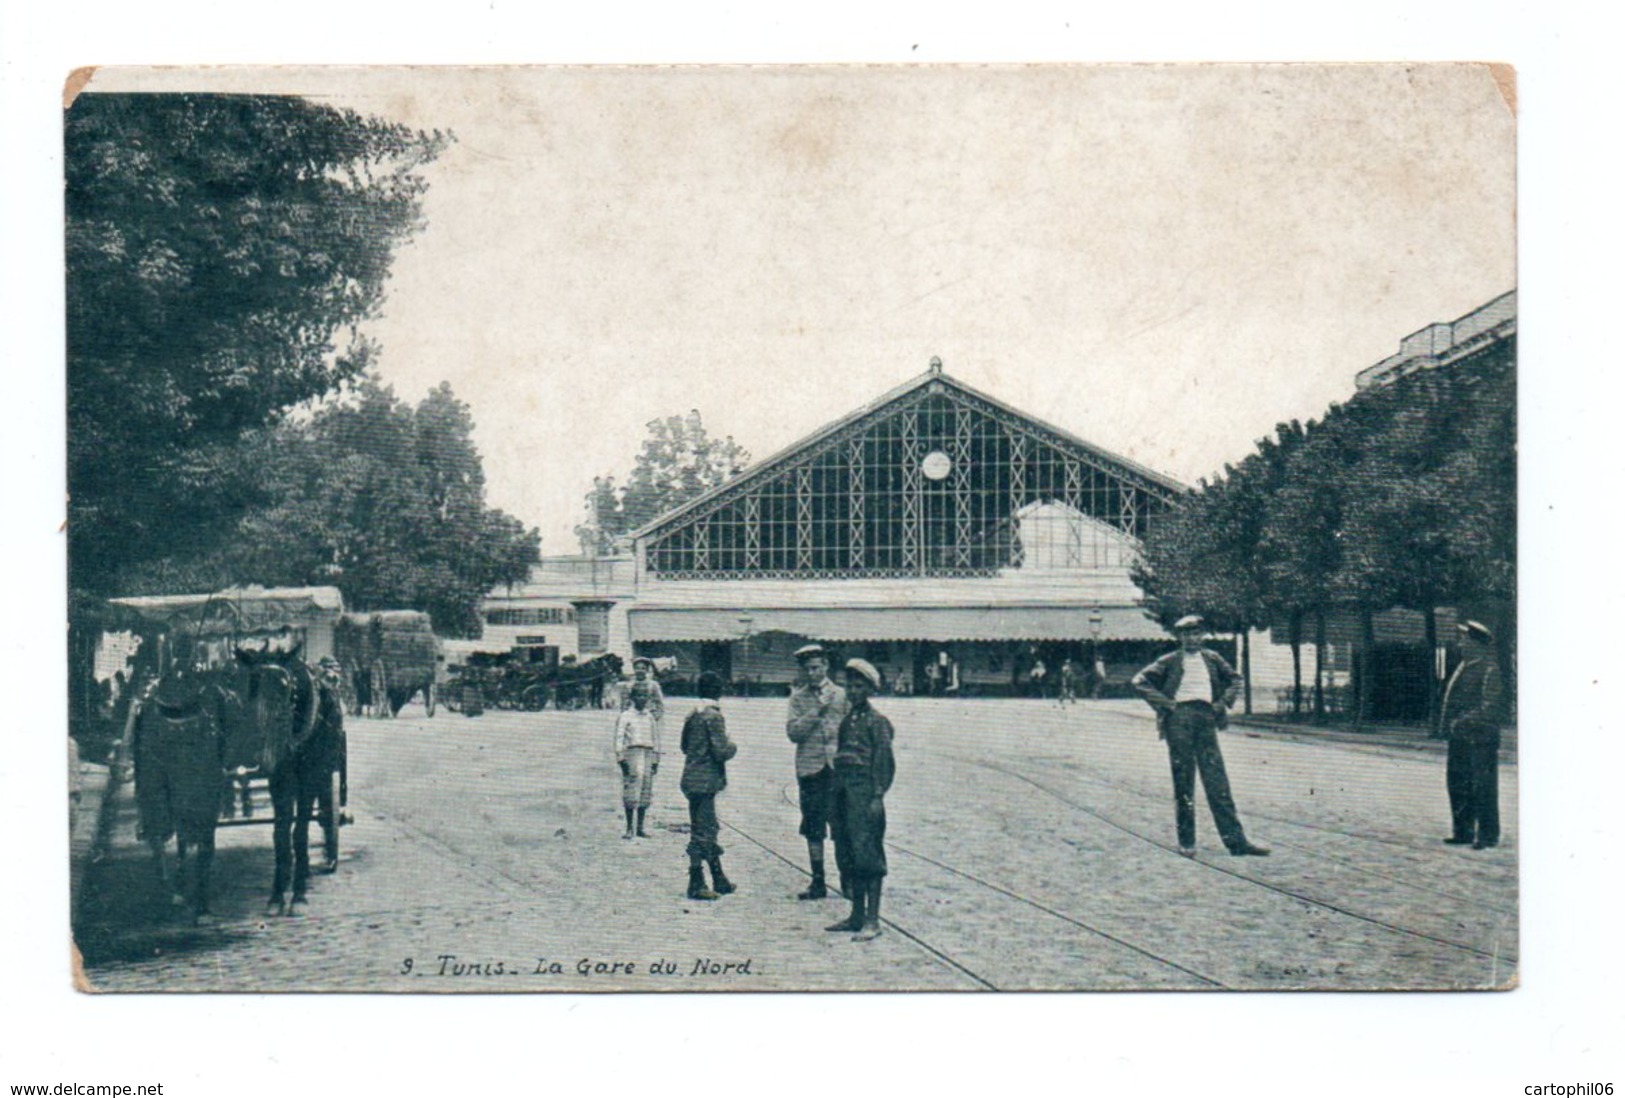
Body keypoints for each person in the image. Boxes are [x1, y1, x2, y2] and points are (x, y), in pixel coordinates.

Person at [1131, 616, 1269, 858]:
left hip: (1206, 719)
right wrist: (1166, 704)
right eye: (1186, 634)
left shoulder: (1212, 658)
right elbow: (1140, 681)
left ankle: (1236, 842)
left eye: (1195, 633)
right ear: (1179, 637)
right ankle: (1187, 842)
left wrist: (1221, 703)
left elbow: (1235, 679)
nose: (1191, 638)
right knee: (1184, 780)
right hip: (1179, 720)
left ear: (1202, 635)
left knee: (1217, 781)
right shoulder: (1170, 660)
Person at [826, 658, 896, 942]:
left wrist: (877, 796)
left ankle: (872, 920)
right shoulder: (847, 721)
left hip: (865, 795)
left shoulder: (877, 722)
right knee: (848, 853)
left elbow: (884, 763)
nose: (852, 691)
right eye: (849, 686)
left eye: (858, 686)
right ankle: (856, 916)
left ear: (870, 688)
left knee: (869, 856)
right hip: (843, 794)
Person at [785, 643, 849, 900]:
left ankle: (848, 880)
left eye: (816, 667)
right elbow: (793, 733)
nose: (812, 673)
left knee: (842, 826)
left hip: (837, 770)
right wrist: (817, 710)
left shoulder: (842, 695)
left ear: (826, 666)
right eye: (807, 669)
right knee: (813, 827)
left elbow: (851, 730)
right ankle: (818, 881)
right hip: (810, 769)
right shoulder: (797, 698)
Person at [1440, 620, 1508, 850]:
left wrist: (1464, 720)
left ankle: (1488, 835)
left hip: (1480, 737)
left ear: (1475, 643)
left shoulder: (1489, 668)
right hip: (1459, 736)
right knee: (1458, 784)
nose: (1460, 643)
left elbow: (1490, 705)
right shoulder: (1464, 665)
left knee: (1482, 786)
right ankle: (1463, 831)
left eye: (1464, 639)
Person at [678, 671, 737, 900]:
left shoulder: (692, 714)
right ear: (719, 691)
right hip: (706, 781)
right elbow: (721, 751)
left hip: (691, 778)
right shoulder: (714, 716)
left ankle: (719, 878)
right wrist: (733, 746)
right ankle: (696, 882)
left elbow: (684, 746)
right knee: (705, 830)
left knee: (705, 826)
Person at [614, 681, 662, 839]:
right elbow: (619, 737)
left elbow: (656, 739)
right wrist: (621, 759)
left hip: (647, 753)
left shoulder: (650, 717)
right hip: (632, 753)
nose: (642, 699)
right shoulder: (626, 716)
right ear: (633, 697)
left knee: (645, 789)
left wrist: (656, 760)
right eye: (639, 695)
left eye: (645, 696)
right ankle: (629, 828)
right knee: (631, 788)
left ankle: (640, 827)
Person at [624, 656, 665, 721]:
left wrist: (657, 715)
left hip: (650, 715)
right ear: (634, 669)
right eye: (637, 668)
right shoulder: (629, 685)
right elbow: (625, 702)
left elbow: (659, 702)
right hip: (633, 715)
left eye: (643, 668)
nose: (640, 671)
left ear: (647, 670)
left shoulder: (653, 685)